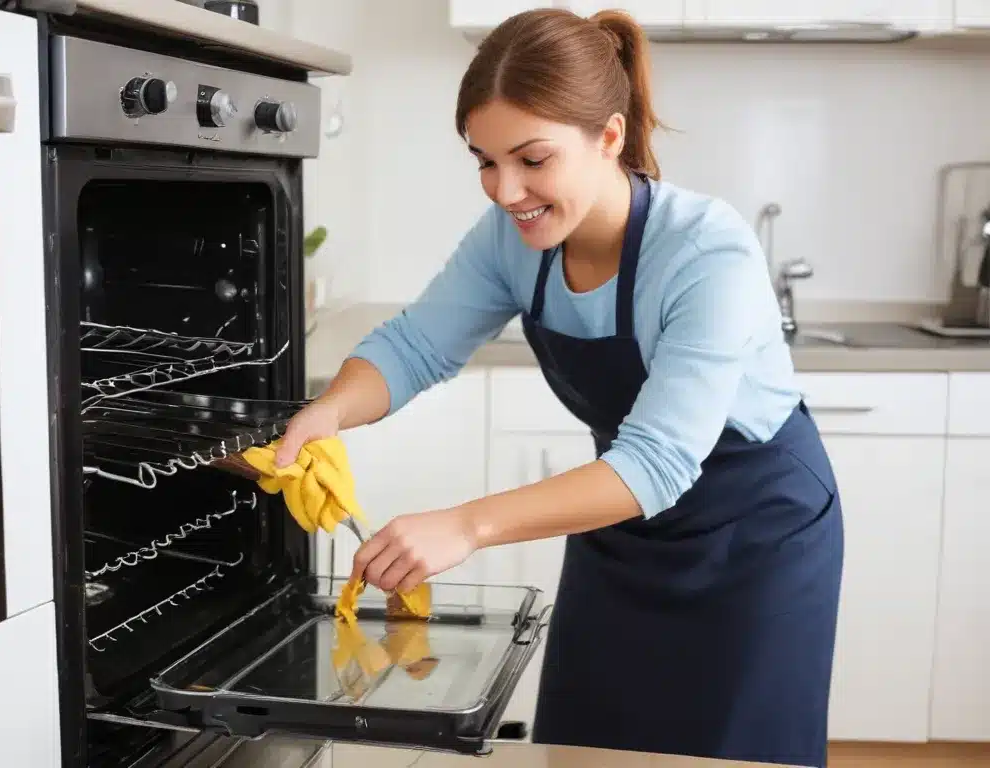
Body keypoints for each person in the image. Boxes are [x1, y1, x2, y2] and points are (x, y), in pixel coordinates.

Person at [275, 7, 843, 766]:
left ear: (609, 137)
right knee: (583, 748)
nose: (506, 190)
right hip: (620, 525)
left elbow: (659, 464)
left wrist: (467, 525)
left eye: (532, 159)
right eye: (484, 160)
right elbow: (413, 347)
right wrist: (330, 411)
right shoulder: (514, 241)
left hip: (754, 535)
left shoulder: (705, 249)